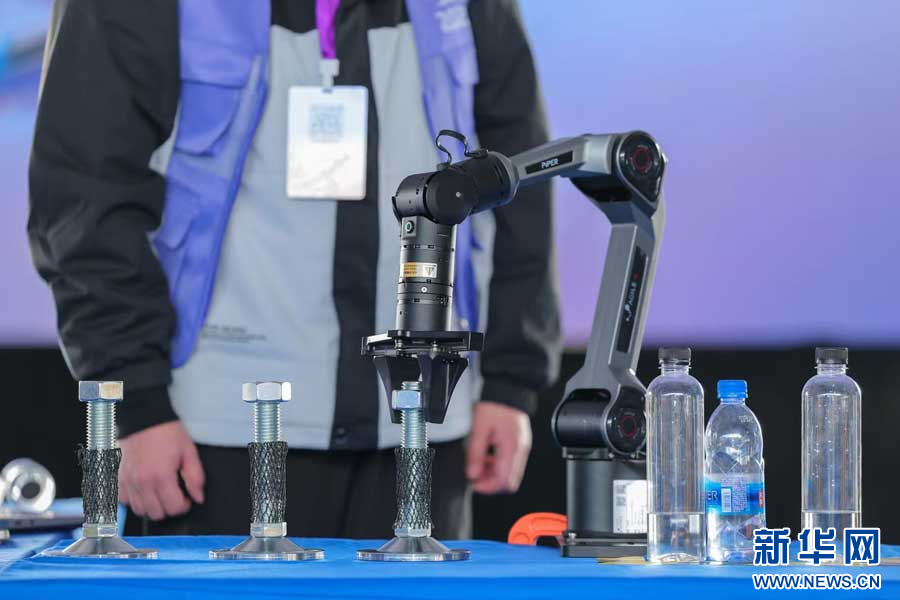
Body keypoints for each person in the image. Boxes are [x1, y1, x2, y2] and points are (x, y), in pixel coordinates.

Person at [28, 0, 560, 539]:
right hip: (216, 429)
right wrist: (134, 404)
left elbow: (520, 181)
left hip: (424, 427)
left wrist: (510, 382)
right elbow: (82, 194)